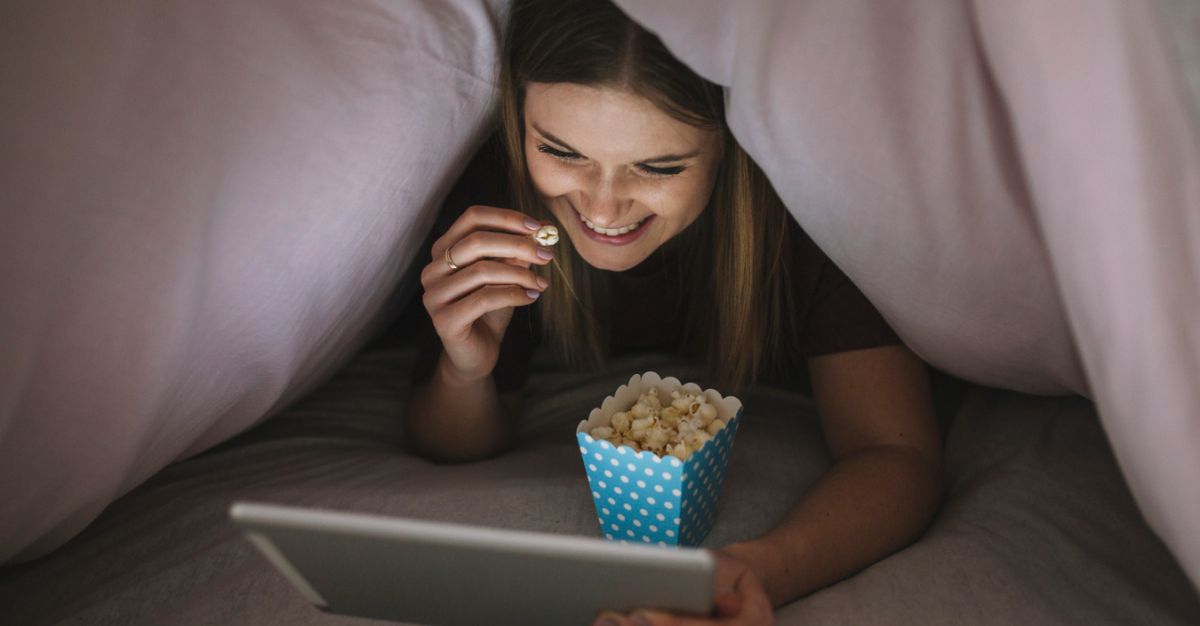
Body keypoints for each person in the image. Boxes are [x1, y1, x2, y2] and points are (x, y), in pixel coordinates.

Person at [406, 0, 943, 623]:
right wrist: (464, 369)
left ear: (731, 142)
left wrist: (757, 569)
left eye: (658, 167)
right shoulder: (503, 210)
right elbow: (446, 446)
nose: (603, 210)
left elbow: (898, 454)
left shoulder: (808, 212)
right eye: (562, 152)